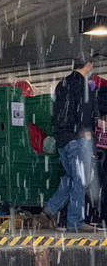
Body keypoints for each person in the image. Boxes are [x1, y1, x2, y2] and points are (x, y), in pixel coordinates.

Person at [36, 56, 102, 232]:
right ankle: (75, 222)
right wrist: (86, 130)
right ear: (88, 65)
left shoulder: (62, 84)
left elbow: (60, 111)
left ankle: (48, 211)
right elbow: (84, 111)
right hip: (77, 138)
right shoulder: (83, 85)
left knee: (71, 178)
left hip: (62, 139)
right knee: (81, 180)